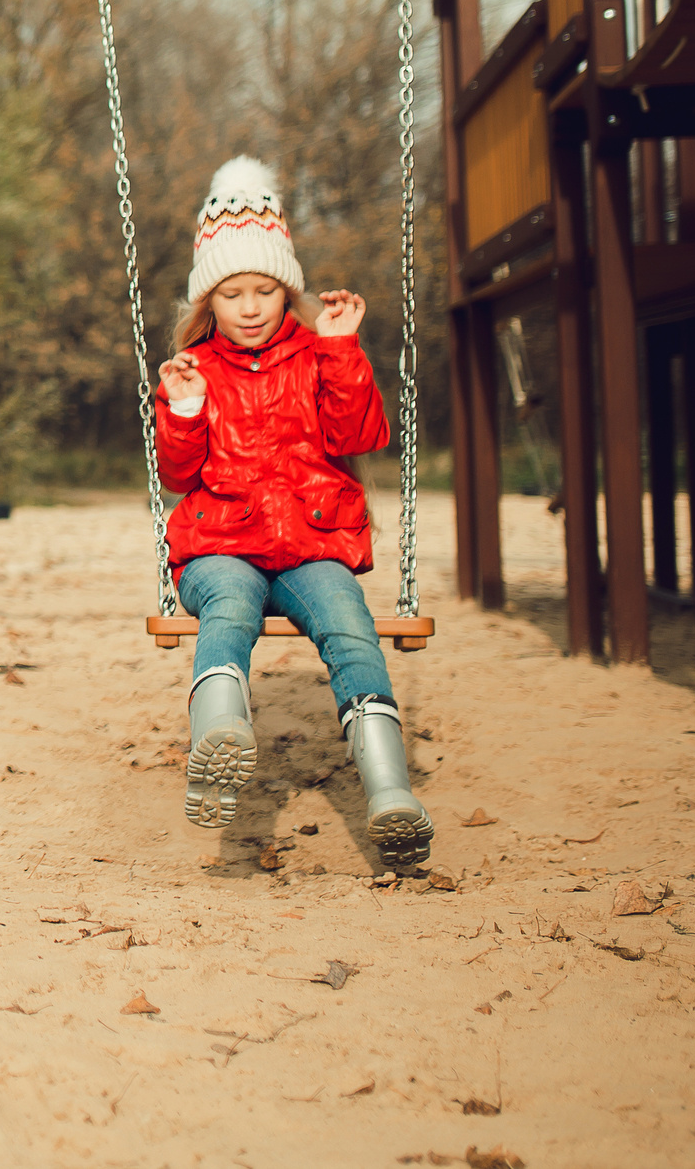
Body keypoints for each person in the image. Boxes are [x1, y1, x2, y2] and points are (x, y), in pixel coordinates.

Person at [153, 156, 434, 868]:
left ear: (288, 291)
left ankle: (389, 788)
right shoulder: (197, 371)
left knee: (348, 623)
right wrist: (183, 409)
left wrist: (342, 349)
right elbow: (177, 473)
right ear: (207, 302)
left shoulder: (318, 355)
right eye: (232, 293)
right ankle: (219, 731)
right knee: (228, 609)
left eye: (265, 290)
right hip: (222, 544)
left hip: (313, 544)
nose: (249, 307)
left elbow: (360, 434)